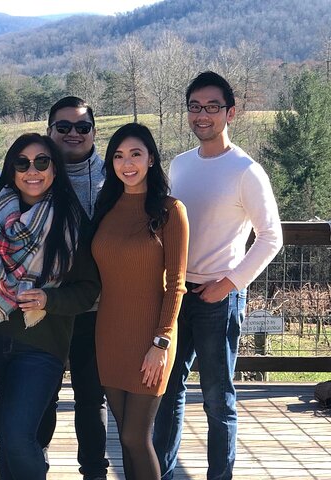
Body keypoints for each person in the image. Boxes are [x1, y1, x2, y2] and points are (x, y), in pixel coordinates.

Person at [153, 71, 283, 480]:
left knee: (216, 398)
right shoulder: (180, 164)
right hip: (176, 293)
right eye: (195, 107)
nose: (202, 115)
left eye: (212, 106)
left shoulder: (246, 170)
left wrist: (228, 285)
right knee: (167, 391)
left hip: (219, 298)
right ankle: (162, 473)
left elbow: (271, 237)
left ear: (230, 112)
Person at [0, 133, 101, 480]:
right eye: (22, 163)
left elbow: (88, 289)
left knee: (17, 436)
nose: (32, 171)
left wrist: (49, 299)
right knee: (7, 438)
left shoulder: (71, 221)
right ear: (11, 169)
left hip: (40, 347)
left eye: (42, 162)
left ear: (55, 169)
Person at [90, 123, 189, 479]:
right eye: (118, 156)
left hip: (152, 338)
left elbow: (176, 284)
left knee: (136, 436)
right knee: (125, 436)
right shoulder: (106, 208)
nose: (127, 163)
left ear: (150, 159)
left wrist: (160, 343)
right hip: (109, 336)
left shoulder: (170, 211)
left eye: (135, 154)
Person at [40, 96, 109, 479]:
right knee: (42, 398)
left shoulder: (113, 176)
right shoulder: (34, 171)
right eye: (63, 127)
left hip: (97, 308)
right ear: (49, 130)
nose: (73, 134)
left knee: (91, 399)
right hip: (46, 307)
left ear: (94, 132)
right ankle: (35, 468)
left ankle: (94, 472)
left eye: (82, 127)